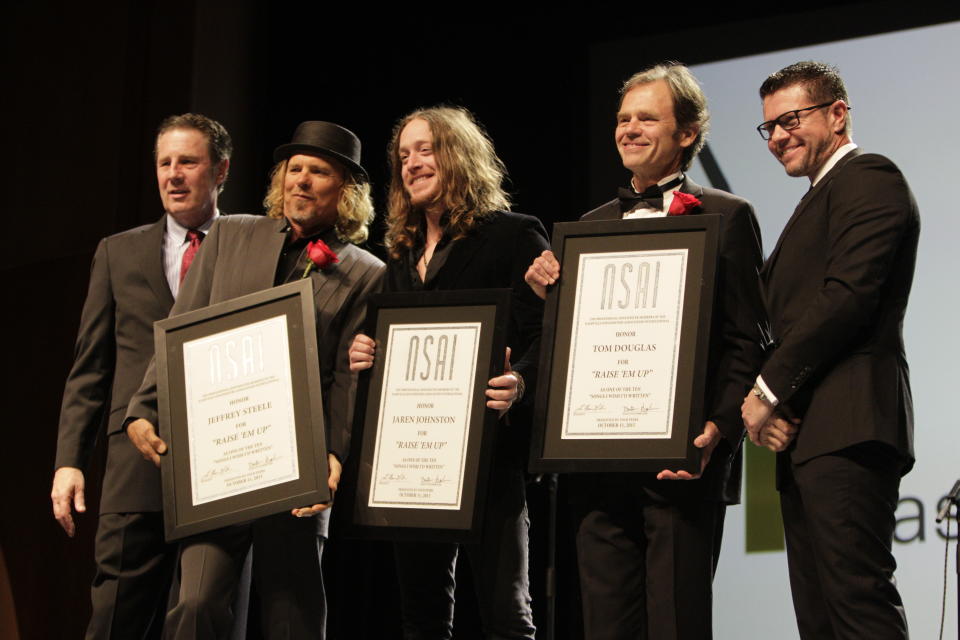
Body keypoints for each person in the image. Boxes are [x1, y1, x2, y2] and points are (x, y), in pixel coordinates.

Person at [525, 62, 767, 639]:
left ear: (686, 133)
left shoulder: (728, 216)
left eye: (647, 118)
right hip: (597, 465)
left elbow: (746, 340)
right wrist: (547, 296)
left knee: (676, 624)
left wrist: (719, 428)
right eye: (623, 119)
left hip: (682, 459)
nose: (629, 129)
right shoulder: (588, 229)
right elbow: (577, 348)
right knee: (606, 625)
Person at [125, 120, 384, 639]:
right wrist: (143, 408)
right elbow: (181, 328)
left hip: (297, 467)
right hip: (219, 460)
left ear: (347, 190)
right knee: (194, 604)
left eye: (318, 172)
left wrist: (333, 459)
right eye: (295, 169)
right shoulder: (230, 235)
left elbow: (345, 377)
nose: (302, 181)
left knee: (292, 614)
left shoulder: (365, 272)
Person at [349, 106, 547, 640]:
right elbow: (396, 345)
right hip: (414, 458)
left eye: (426, 149)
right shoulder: (400, 254)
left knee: (506, 615)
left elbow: (546, 333)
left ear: (458, 155)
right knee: (423, 616)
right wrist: (368, 352)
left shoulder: (513, 235)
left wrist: (521, 382)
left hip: (490, 453)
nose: (412, 163)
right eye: (404, 155)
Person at [741, 61, 918, 640]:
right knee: (819, 618)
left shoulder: (870, 178)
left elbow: (848, 297)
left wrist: (768, 392)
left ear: (838, 114)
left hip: (848, 425)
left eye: (790, 119)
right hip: (807, 434)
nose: (778, 138)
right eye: (768, 128)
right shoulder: (819, 197)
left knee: (856, 606)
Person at [50, 113, 230, 639]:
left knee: (201, 616)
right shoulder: (118, 251)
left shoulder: (252, 246)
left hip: (224, 458)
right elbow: (90, 368)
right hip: (134, 467)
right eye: (164, 163)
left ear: (220, 171)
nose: (173, 175)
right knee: (114, 617)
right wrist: (69, 461)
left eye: (188, 162)